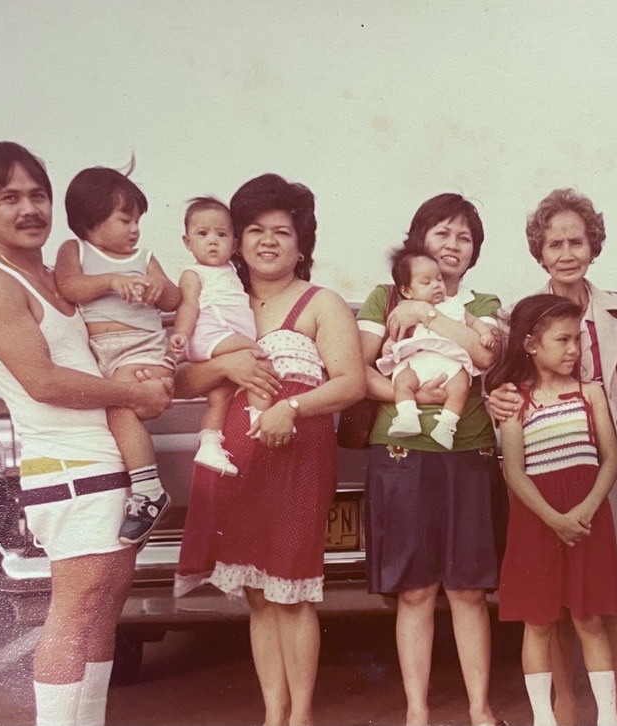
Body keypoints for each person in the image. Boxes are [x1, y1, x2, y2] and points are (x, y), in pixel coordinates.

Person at [0, 141, 171, 726]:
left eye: (38, 195)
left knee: (105, 610)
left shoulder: (61, 277)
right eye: (10, 198)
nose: (29, 209)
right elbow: (43, 381)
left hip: (109, 463)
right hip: (68, 468)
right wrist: (134, 394)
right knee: (74, 611)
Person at [174, 174, 365, 726]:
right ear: (236, 240)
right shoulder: (219, 300)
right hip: (236, 461)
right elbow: (184, 380)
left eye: (282, 231)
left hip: (297, 459)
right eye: (254, 229)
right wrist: (223, 366)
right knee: (257, 595)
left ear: (301, 243)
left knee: (292, 594)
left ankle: (300, 715)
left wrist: (292, 409)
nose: (267, 241)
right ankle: (271, 714)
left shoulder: (320, 302)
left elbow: (350, 382)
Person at [488, 189, 617, 725]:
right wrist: (498, 398)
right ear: (539, 251)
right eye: (554, 243)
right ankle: (562, 700)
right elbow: (500, 378)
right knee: (548, 608)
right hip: (545, 470)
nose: (566, 252)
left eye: (576, 241)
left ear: (594, 246)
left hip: (604, 469)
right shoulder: (520, 315)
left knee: (607, 597)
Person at [358, 193, 502, 726]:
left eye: (464, 238)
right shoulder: (382, 296)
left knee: (468, 589)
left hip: (469, 452)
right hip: (402, 452)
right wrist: (411, 398)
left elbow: (486, 356)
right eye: (443, 233)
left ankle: (480, 708)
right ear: (420, 239)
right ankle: (416, 711)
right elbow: (359, 369)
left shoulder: (484, 303)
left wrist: (425, 314)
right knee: (415, 590)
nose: (453, 245)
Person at [489, 294, 617, 726]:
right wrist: (553, 518)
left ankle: (607, 717)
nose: (573, 350)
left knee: (589, 618)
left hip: (586, 521)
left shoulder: (591, 394)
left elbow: (612, 459)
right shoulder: (515, 401)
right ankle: (543, 719)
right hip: (538, 523)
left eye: (577, 340)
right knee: (539, 623)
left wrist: (584, 509)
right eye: (562, 340)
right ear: (530, 344)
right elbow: (514, 471)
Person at [53, 167, 181, 545]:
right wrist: (111, 280)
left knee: (118, 410)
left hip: (141, 350)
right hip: (102, 357)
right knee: (112, 414)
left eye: (138, 220)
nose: (135, 229)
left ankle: (148, 491)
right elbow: (69, 285)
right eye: (125, 219)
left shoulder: (144, 256)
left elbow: (174, 299)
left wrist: (158, 287)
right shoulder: (74, 250)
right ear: (90, 220)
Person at [169, 196, 262, 476]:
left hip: (225, 339)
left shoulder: (231, 271)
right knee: (258, 354)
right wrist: (181, 334)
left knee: (220, 397)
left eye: (221, 235)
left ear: (234, 244)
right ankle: (260, 417)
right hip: (213, 334)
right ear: (187, 242)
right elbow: (189, 305)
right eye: (203, 234)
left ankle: (210, 443)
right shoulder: (193, 273)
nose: (213, 241)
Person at [376, 248, 495, 449]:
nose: (436, 285)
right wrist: (389, 345)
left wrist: (485, 333)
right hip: (417, 361)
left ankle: (447, 425)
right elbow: (396, 337)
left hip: (449, 361)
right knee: (403, 382)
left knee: (459, 387)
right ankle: (407, 416)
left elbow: (473, 321)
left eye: (439, 279)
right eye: (426, 282)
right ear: (407, 291)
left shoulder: (455, 305)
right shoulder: (405, 310)